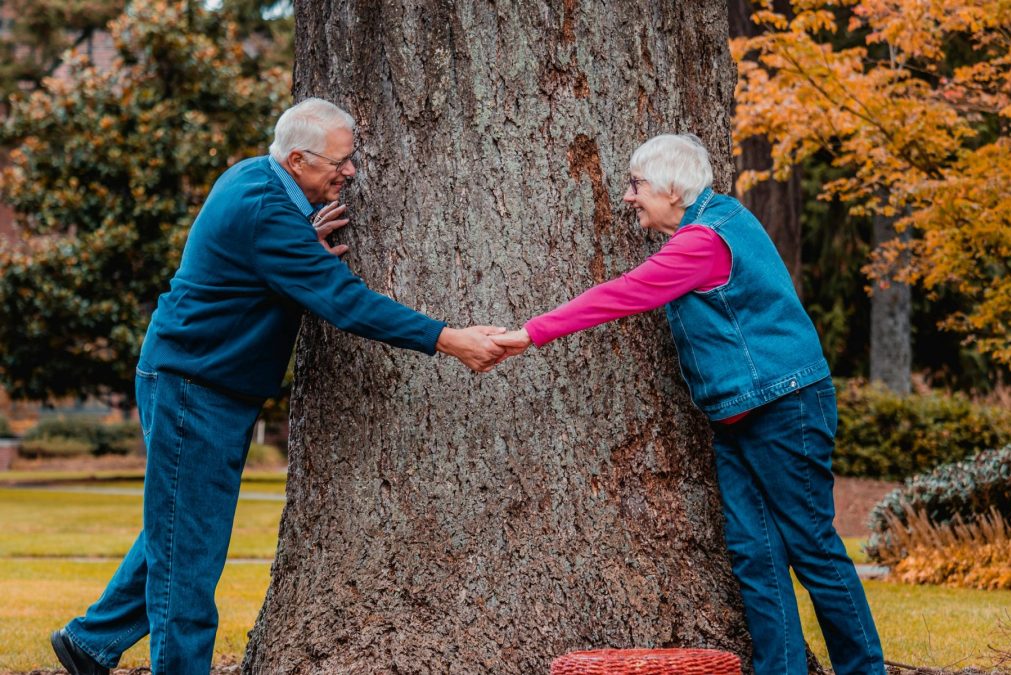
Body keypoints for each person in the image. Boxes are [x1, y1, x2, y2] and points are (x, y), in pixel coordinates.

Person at [50, 98, 506, 675]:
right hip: (195, 387)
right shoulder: (268, 210)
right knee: (190, 552)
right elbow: (345, 302)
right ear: (297, 159)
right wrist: (449, 339)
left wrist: (299, 240)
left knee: (178, 525)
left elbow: (264, 256)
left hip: (205, 381)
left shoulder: (254, 180)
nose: (350, 173)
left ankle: (89, 644)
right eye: (339, 163)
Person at [493, 134, 885, 675]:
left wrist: (528, 334)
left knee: (812, 547)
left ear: (673, 188)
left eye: (637, 184)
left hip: (784, 406)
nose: (628, 196)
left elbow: (624, 293)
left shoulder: (704, 240)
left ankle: (865, 669)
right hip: (740, 415)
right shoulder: (717, 220)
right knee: (756, 555)